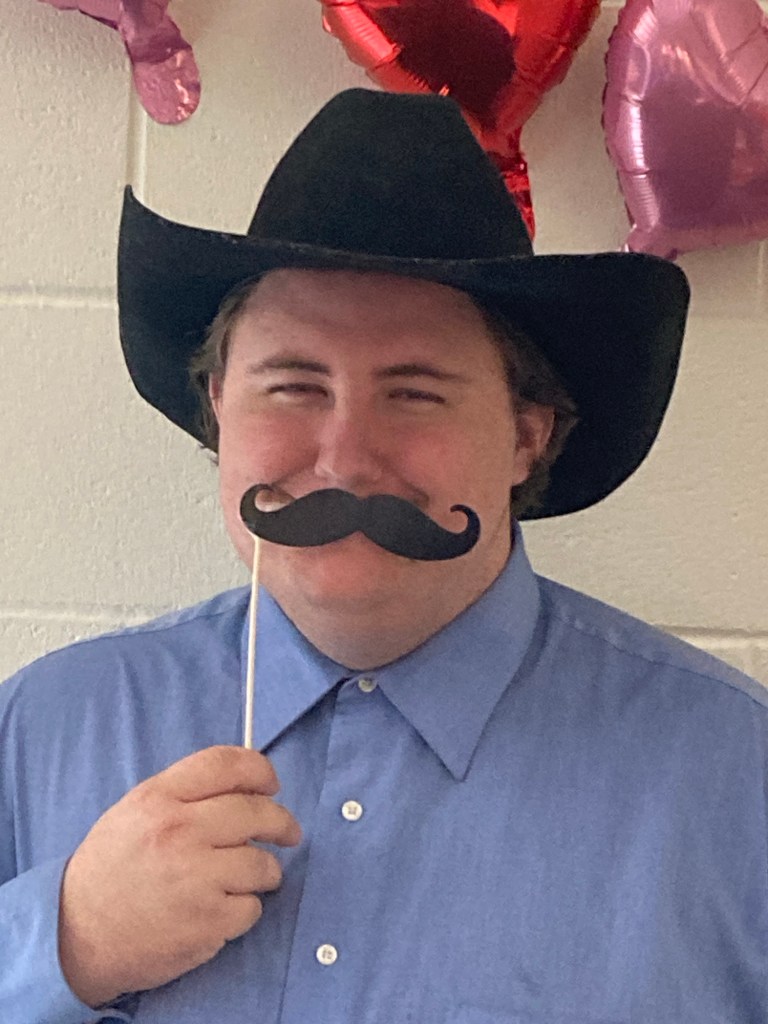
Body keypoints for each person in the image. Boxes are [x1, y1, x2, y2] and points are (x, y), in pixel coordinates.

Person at [1, 88, 766, 1024]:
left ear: (526, 436)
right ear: (218, 410)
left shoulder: (736, 776)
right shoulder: (42, 728)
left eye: (415, 393)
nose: (345, 459)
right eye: (293, 386)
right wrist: (64, 942)